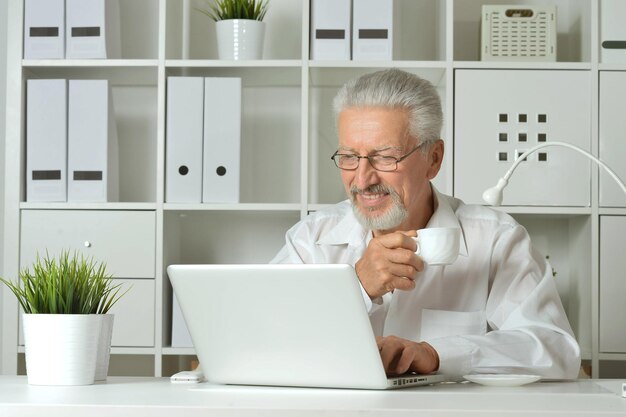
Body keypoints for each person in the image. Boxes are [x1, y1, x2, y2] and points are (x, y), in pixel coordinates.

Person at [271, 68, 581, 379]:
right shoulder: (310, 240)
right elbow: (261, 341)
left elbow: (554, 349)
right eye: (349, 156)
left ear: (433, 158)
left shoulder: (496, 240)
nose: (362, 179)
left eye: (385, 157)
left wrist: (436, 355)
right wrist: (357, 287)